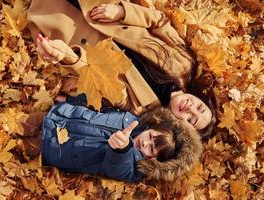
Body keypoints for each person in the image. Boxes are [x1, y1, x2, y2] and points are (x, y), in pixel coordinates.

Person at [27, 0, 215, 135]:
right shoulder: (184, 63)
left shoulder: (140, 109)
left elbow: (97, 79)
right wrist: (122, 12)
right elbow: (159, 22)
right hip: (101, 8)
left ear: (182, 128)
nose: (191, 108)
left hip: (68, 26)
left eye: (191, 119)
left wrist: (66, 57)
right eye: (200, 106)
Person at [17, 102, 203, 182]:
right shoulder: (131, 119)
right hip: (55, 117)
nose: (145, 144)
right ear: (151, 128)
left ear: (155, 159)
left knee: (11, 148)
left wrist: (122, 149)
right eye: (150, 138)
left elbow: (116, 166)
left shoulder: (133, 168)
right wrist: (69, 102)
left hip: (51, 147)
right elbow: (99, 109)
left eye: (151, 149)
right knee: (11, 125)